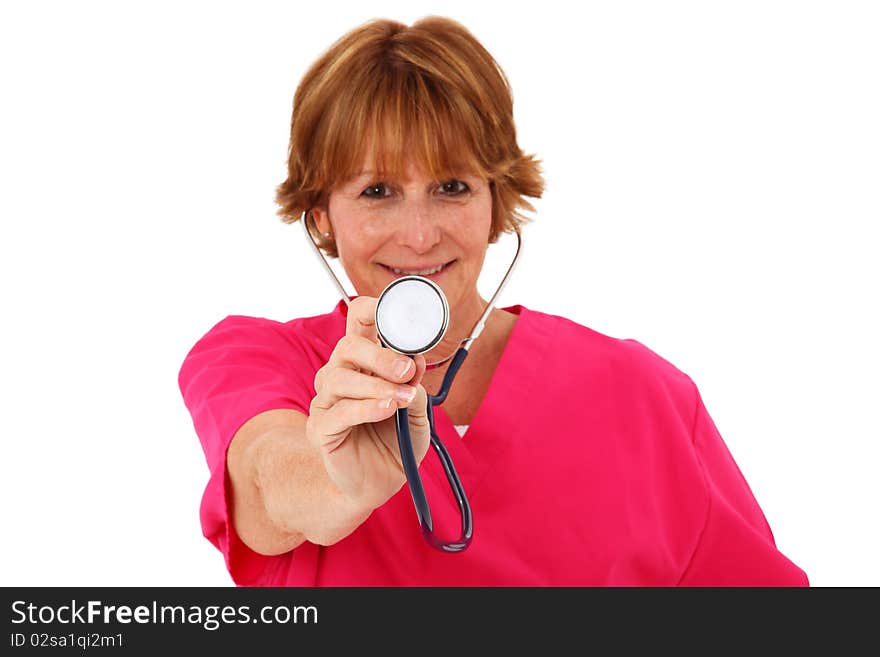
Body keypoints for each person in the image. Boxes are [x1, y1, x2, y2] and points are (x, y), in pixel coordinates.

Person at [178, 16, 808, 586]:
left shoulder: (645, 393)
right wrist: (337, 482)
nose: (420, 235)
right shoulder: (254, 359)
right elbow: (264, 483)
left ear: (496, 202)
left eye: (452, 186)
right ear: (321, 217)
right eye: (377, 191)